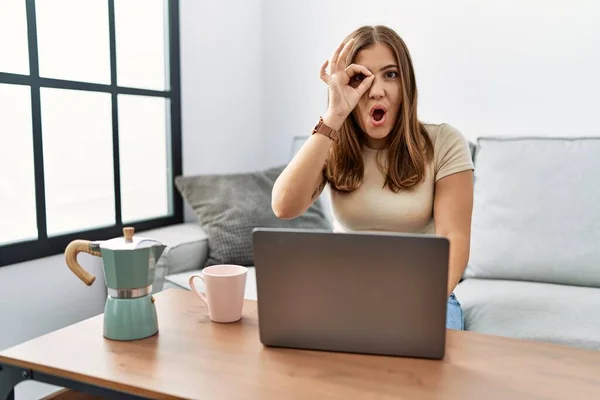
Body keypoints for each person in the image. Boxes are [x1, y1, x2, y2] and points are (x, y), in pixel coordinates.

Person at [271, 25, 474, 330]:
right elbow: (284, 207)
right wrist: (333, 115)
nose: (377, 90)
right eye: (361, 77)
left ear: (406, 85)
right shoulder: (332, 143)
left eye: (390, 74)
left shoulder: (444, 141)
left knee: (422, 372)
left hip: (425, 294)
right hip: (346, 292)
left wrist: (421, 304)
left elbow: (454, 239)